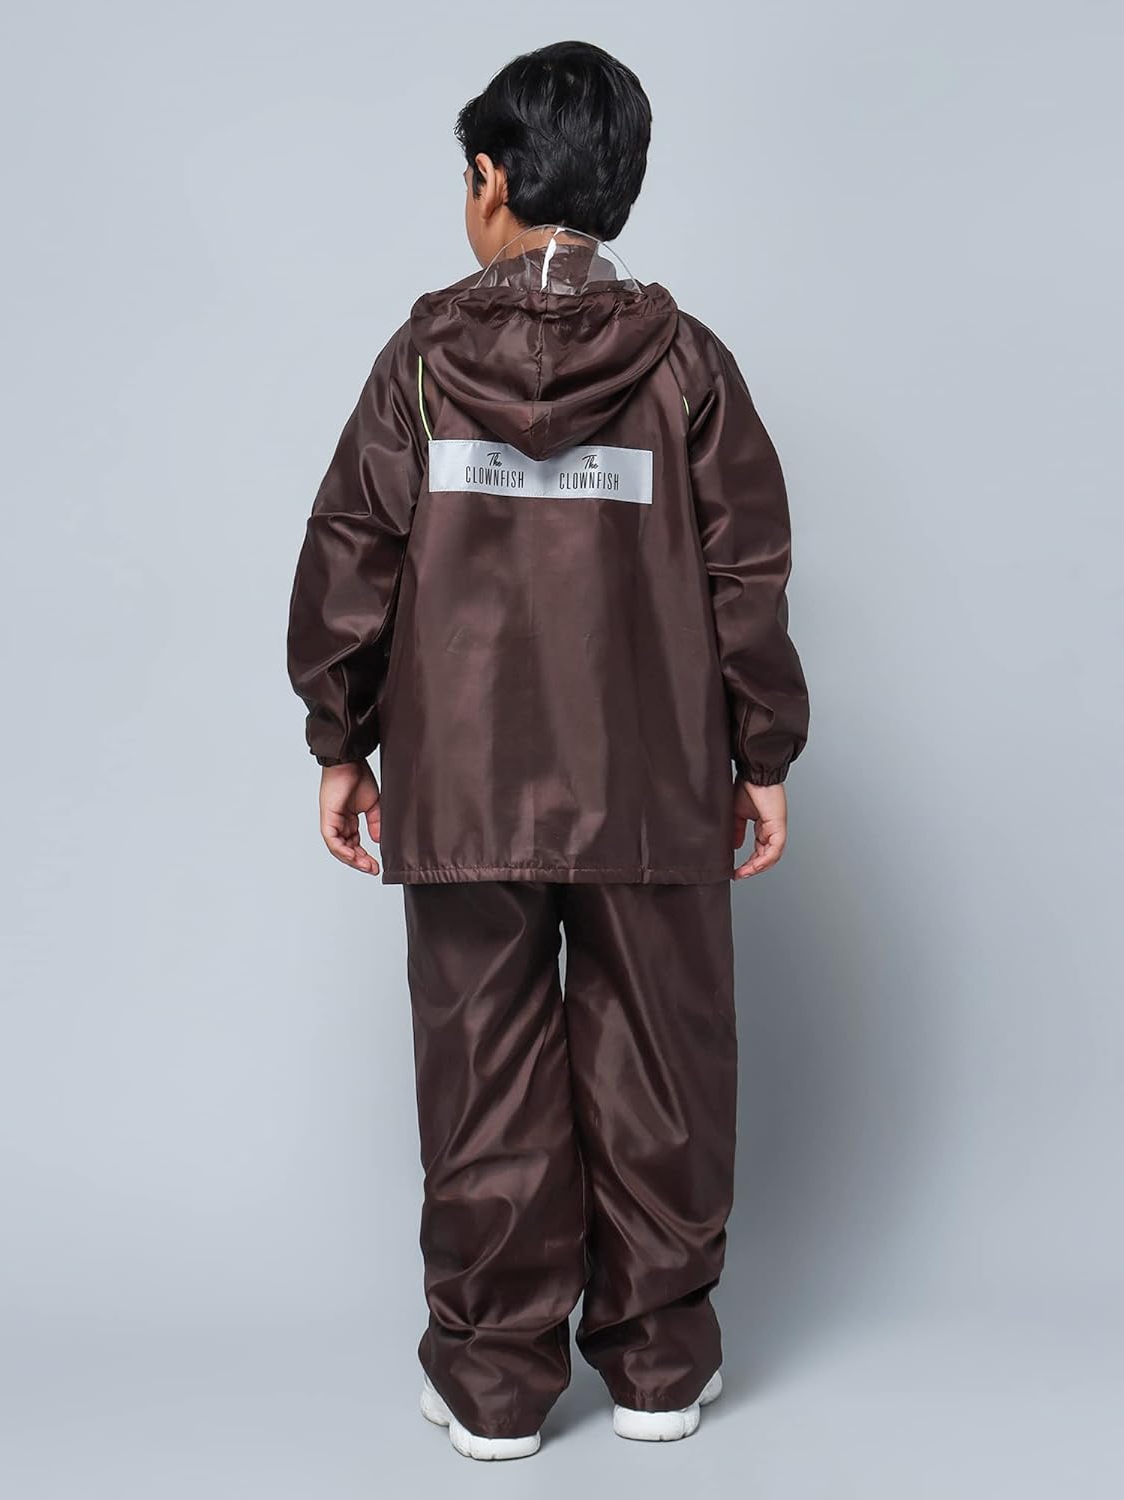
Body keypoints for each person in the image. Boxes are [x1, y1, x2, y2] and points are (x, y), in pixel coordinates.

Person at [287, 39, 809, 1462]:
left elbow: (350, 555)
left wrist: (341, 736)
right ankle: (657, 1373)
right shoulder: (686, 365)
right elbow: (745, 575)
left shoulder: (418, 364)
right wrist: (761, 754)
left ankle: (494, 1388)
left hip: (462, 789)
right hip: (650, 785)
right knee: (662, 1070)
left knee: (483, 1075)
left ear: (490, 179)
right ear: (618, 187)